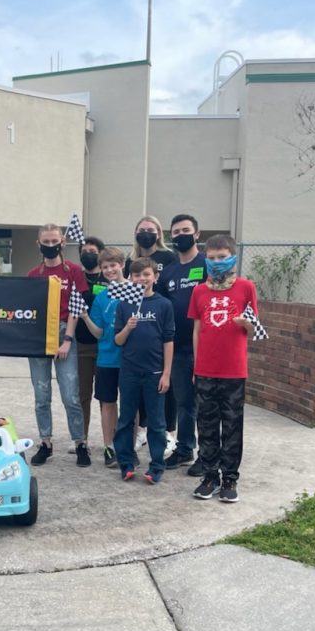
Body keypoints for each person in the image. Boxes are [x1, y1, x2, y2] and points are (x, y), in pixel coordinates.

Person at [189, 234, 258, 503]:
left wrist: (246, 324)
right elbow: (197, 329)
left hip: (234, 370)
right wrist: (196, 366)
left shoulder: (245, 287)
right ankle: (209, 475)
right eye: (212, 257)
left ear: (233, 257)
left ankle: (230, 477)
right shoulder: (199, 291)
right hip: (205, 369)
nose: (217, 262)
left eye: (222, 257)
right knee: (206, 425)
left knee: (231, 425)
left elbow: (254, 330)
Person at [27, 224, 90, 467]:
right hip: (39, 337)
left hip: (65, 332)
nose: (50, 245)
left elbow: (76, 306)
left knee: (70, 394)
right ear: (38, 243)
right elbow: (29, 309)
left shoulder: (73, 271)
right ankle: (46, 442)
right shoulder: (33, 274)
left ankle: (80, 443)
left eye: (55, 240)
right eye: (46, 241)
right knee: (41, 395)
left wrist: (68, 339)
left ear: (63, 242)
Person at [112, 257, 174, 483]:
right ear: (131, 278)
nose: (142, 279)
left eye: (146, 274)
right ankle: (126, 463)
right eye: (137, 275)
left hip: (155, 373)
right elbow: (118, 341)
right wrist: (127, 328)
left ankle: (156, 466)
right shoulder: (124, 304)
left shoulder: (164, 305)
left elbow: (168, 341)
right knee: (126, 419)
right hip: (129, 372)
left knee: (157, 423)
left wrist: (167, 373)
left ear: (155, 277)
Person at [124, 215, 178, 455]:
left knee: (165, 385)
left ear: (159, 233)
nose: (145, 233)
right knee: (143, 384)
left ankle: (169, 433)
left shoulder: (169, 258)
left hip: (162, 324)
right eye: (141, 229)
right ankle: (143, 429)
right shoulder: (130, 260)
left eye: (150, 229)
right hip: (137, 329)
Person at [160, 214, 207, 474]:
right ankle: (185, 448)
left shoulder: (209, 264)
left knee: (206, 403)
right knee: (184, 402)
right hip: (178, 348)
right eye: (175, 232)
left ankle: (208, 454)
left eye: (185, 230)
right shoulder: (168, 272)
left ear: (197, 234)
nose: (180, 235)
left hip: (205, 347)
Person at [78, 246, 126, 467]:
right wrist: (86, 317)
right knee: (108, 403)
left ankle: (128, 446)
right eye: (105, 267)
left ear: (122, 265)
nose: (109, 270)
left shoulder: (135, 290)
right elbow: (98, 332)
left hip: (130, 359)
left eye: (113, 265)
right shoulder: (101, 297)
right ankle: (109, 447)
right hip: (106, 357)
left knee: (130, 404)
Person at [76, 236, 107, 446]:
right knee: (82, 394)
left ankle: (109, 440)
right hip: (82, 344)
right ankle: (81, 437)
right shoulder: (77, 279)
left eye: (93, 251)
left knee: (106, 396)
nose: (88, 254)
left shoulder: (109, 279)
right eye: (85, 251)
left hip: (106, 346)